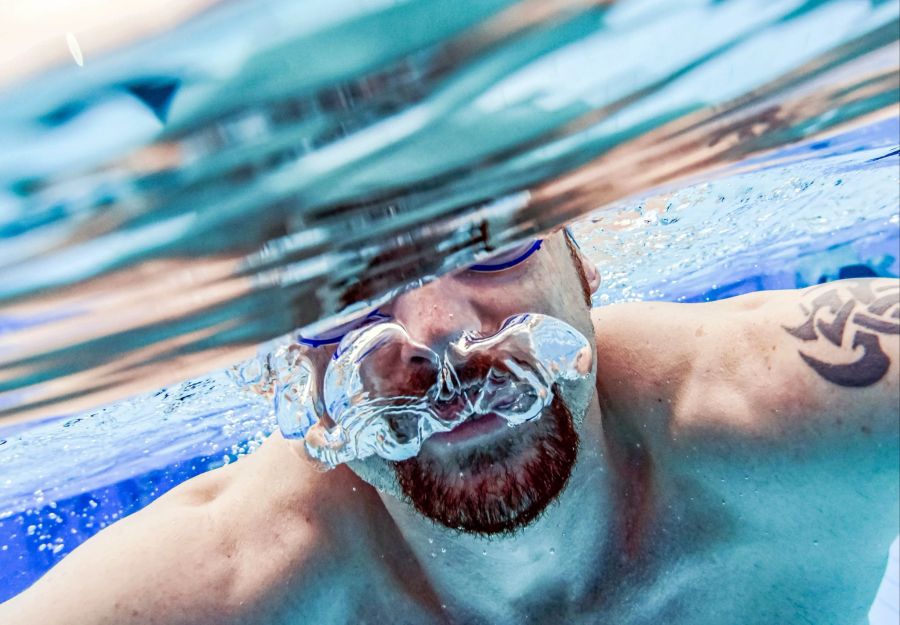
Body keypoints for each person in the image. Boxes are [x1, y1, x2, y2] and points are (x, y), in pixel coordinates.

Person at [1, 230, 897, 625]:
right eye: (337, 294)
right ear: (287, 359)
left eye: (488, 242)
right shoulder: (232, 589)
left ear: (579, 259)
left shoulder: (803, 409)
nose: (435, 335)